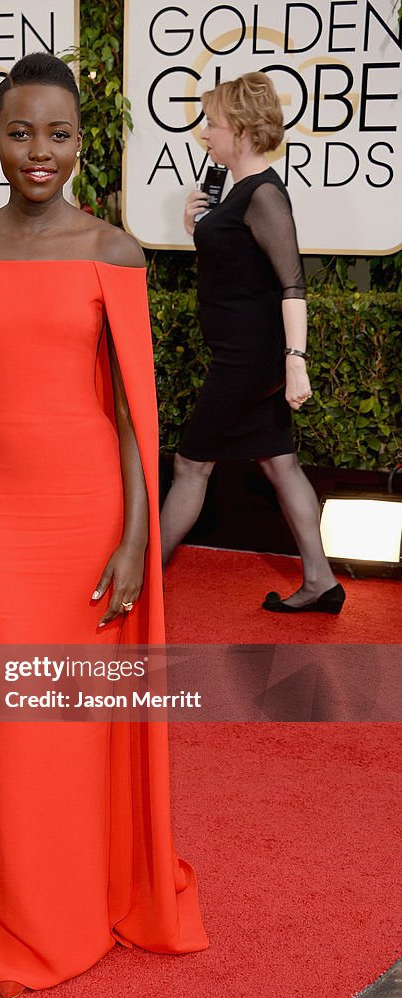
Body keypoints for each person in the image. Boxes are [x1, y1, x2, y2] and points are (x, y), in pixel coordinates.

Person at [0, 54, 208, 998]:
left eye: (59, 134)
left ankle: (78, 888)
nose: (40, 152)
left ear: (83, 143)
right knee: (11, 715)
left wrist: (132, 537)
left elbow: (129, 412)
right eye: (21, 132)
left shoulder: (112, 253)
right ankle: (21, 906)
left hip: (85, 518)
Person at [160, 72, 345, 615]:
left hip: (248, 361)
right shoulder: (238, 192)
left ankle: (140, 584)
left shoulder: (263, 194)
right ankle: (320, 582)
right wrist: (198, 227)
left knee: (192, 467)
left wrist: (295, 362)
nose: (204, 134)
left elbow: (292, 282)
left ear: (240, 131)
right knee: (280, 462)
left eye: (212, 124)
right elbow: (236, 272)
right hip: (245, 355)